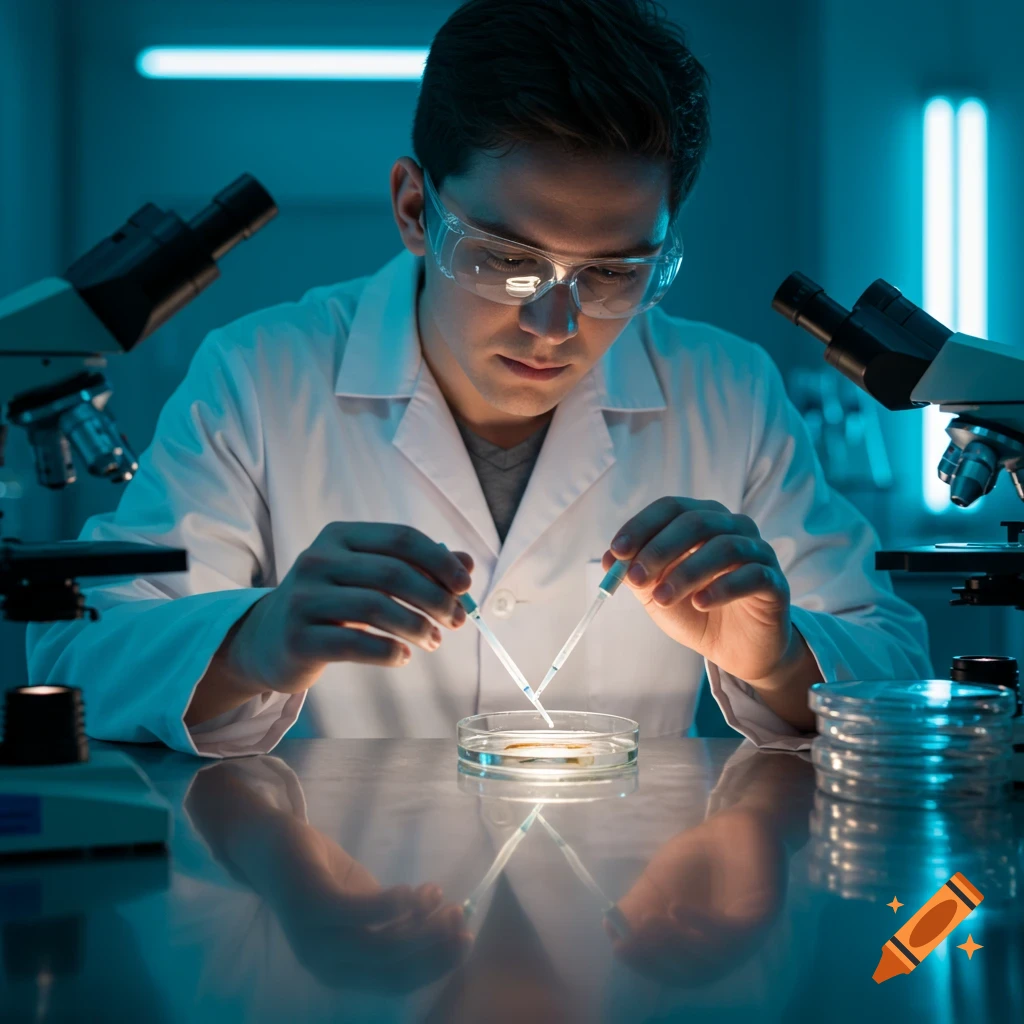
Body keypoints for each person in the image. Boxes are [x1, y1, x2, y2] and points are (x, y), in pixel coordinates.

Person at [27, 0, 929, 757]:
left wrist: (777, 660)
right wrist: (253, 643)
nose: (555, 325)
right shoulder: (264, 374)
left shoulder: (727, 392)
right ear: (415, 208)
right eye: (506, 259)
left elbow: (897, 664)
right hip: (347, 919)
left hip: (621, 932)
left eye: (614, 274)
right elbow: (74, 654)